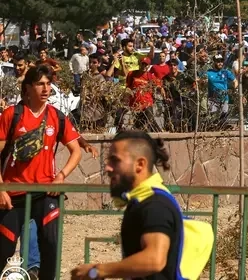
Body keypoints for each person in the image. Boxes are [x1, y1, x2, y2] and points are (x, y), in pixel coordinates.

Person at [0, 65, 84, 280]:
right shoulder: (13, 114)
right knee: (4, 250)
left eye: (48, 84)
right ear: (28, 88)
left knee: (51, 245)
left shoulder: (57, 116)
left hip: (47, 192)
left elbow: (75, 151)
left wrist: (61, 176)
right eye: (40, 84)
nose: (46, 89)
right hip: (13, 194)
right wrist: (1, 188)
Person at [70, 131, 182, 280]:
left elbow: (154, 260)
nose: (108, 168)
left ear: (140, 165)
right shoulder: (141, 202)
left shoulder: (155, 205)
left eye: (115, 161)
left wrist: (97, 271)